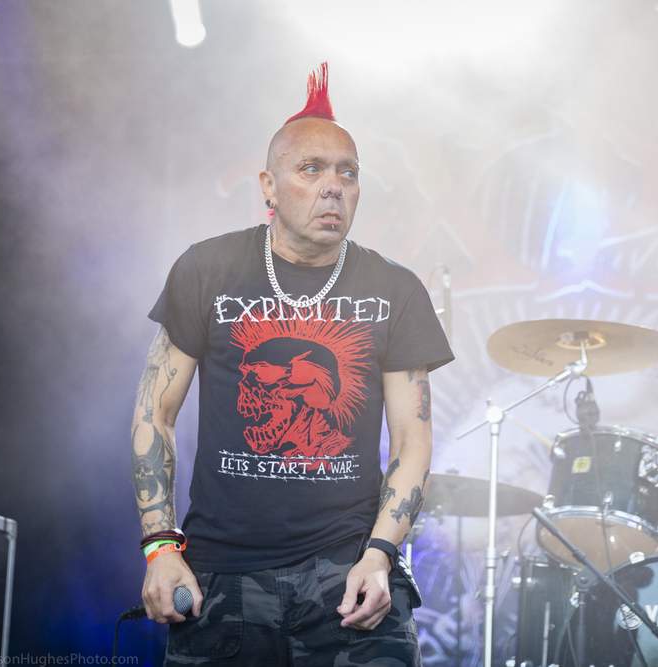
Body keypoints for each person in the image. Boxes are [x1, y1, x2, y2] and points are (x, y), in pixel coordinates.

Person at [130, 63, 453, 665]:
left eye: (348, 172)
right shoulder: (207, 269)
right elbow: (155, 413)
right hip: (223, 574)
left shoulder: (395, 289)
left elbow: (412, 440)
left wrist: (380, 554)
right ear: (269, 186)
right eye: (311, 169)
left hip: (347, 572)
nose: (334, 186)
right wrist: (160, 546)